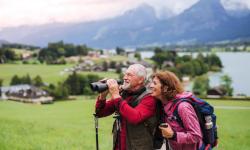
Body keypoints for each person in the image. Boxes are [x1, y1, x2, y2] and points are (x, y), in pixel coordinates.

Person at [95, 64, 158, 150]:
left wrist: (116, 95)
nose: (125, 77)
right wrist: (103, 96)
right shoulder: (123, 94)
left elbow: (135, 117)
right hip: (119, 146)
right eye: (125, 74)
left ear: (141, 80)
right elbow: (100, 113)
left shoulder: (149, 98)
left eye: (129, 75)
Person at [149, 71, 203, 150]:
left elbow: (196, 136)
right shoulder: (162, 104)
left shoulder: (183, 107)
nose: (150, 86)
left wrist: (173, 135)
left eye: (154, 83)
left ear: (165, 88)